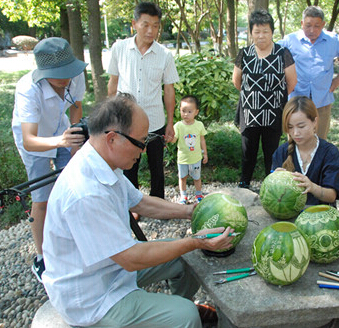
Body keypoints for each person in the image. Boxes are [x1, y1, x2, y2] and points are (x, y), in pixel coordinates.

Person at [42, 93, 234, 327]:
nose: (143, 150)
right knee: (186, 316)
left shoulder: (104, 162)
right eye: (141, 142)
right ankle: (175, 316)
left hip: (111, 270)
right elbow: (131, 259)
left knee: (186, 258)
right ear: (112, 139)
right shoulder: (85, 192)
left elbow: (140, 202)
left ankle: (164, 314)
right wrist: (195, 241)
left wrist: (191, 211)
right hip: (93, 299)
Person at [11, 37, 87, 282]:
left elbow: (76, 107)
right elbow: (29, 139)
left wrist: (75, 137)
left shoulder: (75, 75)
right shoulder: (28, 89)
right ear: (43, 73)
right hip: (35, 140)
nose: (66, 79)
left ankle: (73, 243)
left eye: (68, 72)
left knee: (74, 186)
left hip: (61, 129)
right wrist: (61, 142)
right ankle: (42, 257)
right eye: (58, 75)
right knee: (41, 198)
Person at [107, 2, 179, 202]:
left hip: (155, 120)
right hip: (125, 121)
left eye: (155, 26)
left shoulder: (164, 55)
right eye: (146, 24)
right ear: (134, 24)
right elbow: (112, 83)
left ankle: (158, 202)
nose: (151, 30)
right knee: (129, 166)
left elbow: (169, 90)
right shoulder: (119, 48)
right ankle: (132, 205)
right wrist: (111, 117)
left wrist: (170, 122)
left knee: (157, 166)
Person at [232, 9, 297, 189]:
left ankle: (272, 185)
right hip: (249, 112)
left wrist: (271, 97)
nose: (261, 36)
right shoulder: (244, 53)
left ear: (272, 32)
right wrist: (254, 96)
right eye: (257, 31)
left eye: (265, 31)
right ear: (251, 32)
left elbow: (291, 83)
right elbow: (237, 82)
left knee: (272, 152)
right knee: (248, 151)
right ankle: (245, 182)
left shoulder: (282, 53)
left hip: (274, 112)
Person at [279, 6, 339, 140]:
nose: (312, 30)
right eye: (308, 25)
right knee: (295, 141)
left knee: (320, 141)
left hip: (322, 100)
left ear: (323, 25)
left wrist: (338, 79)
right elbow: (273, 55)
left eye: (317, 26)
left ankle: (317, 162)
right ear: (302, 23)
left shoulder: (333, 40)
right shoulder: (290, 40)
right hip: (296, 99)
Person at [272, 96, 339, 206]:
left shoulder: (330, 153)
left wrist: (312, 187)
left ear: (314, 122)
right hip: (288, 214)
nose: (295, 133)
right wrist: (273, 181)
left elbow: (332, 196)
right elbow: (273, 195)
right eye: (290, 127)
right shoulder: (282, 152)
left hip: (320, 216)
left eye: (301, 126)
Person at [171, 95, 208, 204]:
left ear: (196, 112)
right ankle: (183, 195)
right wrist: (169, 138)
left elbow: (202, 140)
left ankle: (198, 194)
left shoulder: (199, 125)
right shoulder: (178, 126)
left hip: (196, 158)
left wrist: (205, 153)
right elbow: (174, 140)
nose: (186, 114)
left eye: (189, 111)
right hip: (183, 158)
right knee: (182, 177)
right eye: (183, 111)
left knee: (197, 177)